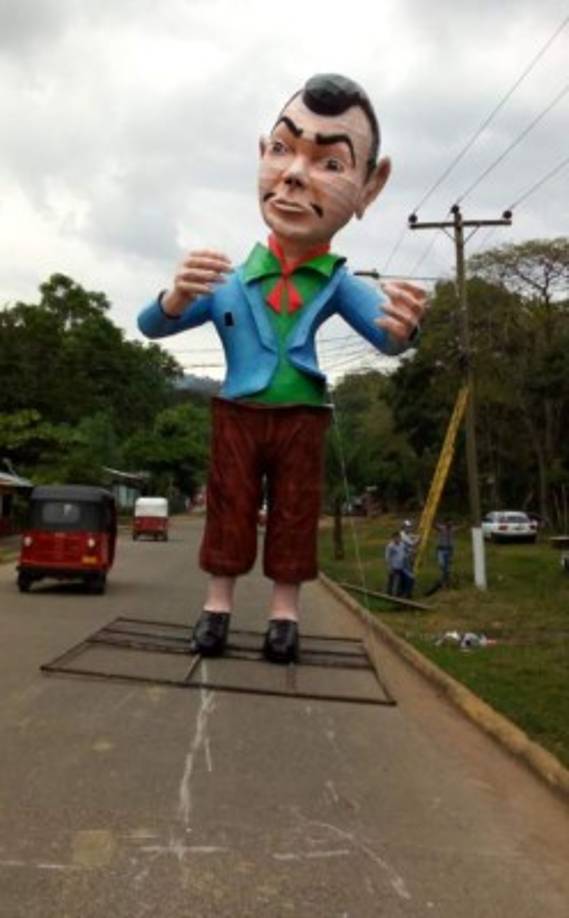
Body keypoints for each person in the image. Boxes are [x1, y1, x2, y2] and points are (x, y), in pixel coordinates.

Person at [138, 73, 427, 664]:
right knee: (229, 505)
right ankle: (216, 608)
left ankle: (284, 618)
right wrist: (171, 299)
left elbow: (387, 336)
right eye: (281, 148)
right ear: (261, 156)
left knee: (296, 512)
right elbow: (154, 325)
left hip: (303, 416)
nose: (294, 174)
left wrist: (406, 328)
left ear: (370, 189)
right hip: (237, 411)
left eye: (329, 162)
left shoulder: (342, 282)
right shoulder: (224, 279)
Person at [434, 519, 459, 587]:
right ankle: (445, 577)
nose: (450, 524)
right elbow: (435, 526)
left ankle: (445, 580)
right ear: (445, 523)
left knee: (448, 566)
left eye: (451, 523)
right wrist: (433, 521)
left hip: (449, 550)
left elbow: (460, 528)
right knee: (441, 564)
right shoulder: (441, 528)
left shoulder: (453, 529)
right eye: (449, 523)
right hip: (441, 550)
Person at [384, 532, 405, 596]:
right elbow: (387, 557)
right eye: (396, 538)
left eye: (398, 537)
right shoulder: (390, 546)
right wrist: (389, 566)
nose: (397, 539)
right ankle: (389, 593)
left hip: (401, 566)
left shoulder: (402, 545)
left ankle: (398, 593)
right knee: (392, 580)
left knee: (400, 580)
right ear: (393, 538)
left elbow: (404, 553)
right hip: (393, 566)